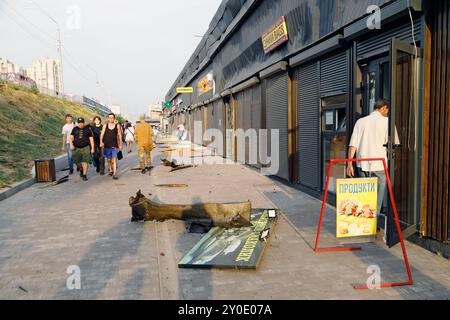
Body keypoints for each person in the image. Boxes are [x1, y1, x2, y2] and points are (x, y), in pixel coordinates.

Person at [347, 99, 399, 218]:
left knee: (365, 194)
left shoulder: (361, 122)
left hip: (363, 164)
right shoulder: (388, 122)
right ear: (384, 108)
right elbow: (392, 146)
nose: (387, 112)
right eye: (387, 110)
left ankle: (366, 222)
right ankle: (373, 221)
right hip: (380, 165)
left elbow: (352, 145)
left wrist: (350, 164)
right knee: (378, 197)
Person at [100, 113, 122, 180]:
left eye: (112, 117)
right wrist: (101, 142)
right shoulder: (105, 126)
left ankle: (115, 174)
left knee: (114, 159)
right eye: (109, 117)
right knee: (109, 159)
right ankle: (110, 169)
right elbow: (102, 134)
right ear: (108, 118)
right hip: (106, 145)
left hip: (114, 145)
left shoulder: (117, 126)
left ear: (114, 118)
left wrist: (120, 144)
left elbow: (120, 136)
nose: (111, 119)